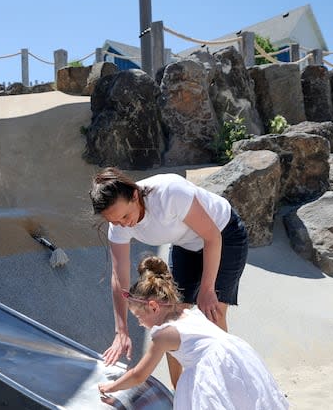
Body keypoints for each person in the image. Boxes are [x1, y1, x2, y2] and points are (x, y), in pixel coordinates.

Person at [89, 166, 248, 381]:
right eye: (114, 221)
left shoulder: (170, 193)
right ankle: (179, 390)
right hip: (186, 245)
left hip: (224, 234)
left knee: (213, 312)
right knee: (169, 317)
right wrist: (121, 330)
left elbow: (212, 237)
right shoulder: (118, 225)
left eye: (125, 216)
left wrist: (207, 289)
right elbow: (119, 278)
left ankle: (227, 383)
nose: (123, 224)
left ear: (135, 195)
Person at [97, 255, 288, 410]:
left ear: (154, 307)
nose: (139, 323)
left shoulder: (162, 335)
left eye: (138, 316)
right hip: (236, 356)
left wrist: (111, 387)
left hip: (211, 368)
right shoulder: (188, 312)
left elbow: (139, 374)